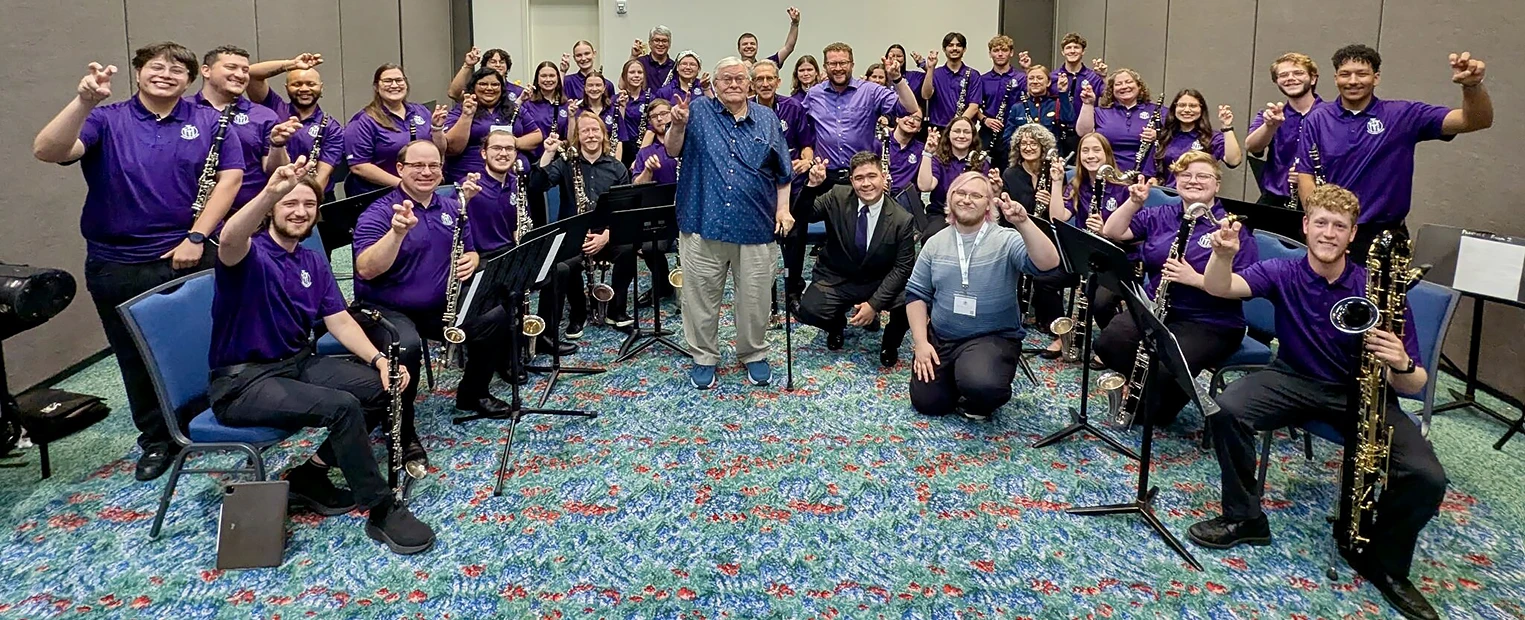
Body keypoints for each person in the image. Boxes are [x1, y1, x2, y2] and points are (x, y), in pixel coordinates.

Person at [1190, 184, 1447, 620]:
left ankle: (1384, 561)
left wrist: (1400, 362)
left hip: (1362, 391)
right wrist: (1224, 255)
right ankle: (1245, 518)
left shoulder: (1377, 287)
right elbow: (1220, 287)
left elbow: (1414, 384)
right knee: (1227, 409)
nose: (1329, 233)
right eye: (1321, 223)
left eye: (1339, 226)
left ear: (1352, 234)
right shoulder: (1283, 270)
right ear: (1305, 226)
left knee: (1427, 477)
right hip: (1293, 377)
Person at [32, 43, 246, 481]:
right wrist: (84, 100)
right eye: (156, 67)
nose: (166, 74)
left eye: (177, 70)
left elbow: (231, 178)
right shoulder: (106, 119)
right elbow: (48, 150)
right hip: (118, 262)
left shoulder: (208, 120)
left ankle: (210, 418)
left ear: (190, 80)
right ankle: (157, 438)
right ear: (138, 73)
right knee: (137, 356)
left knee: (208, 341)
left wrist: (196, 236)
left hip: (190, 252)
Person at [209, 158, 435, 554]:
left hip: (295, 364)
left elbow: (340, 321)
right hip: (243, 383)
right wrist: (269, 192)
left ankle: (310, 475)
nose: (299, 212)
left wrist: (380, 361)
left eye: (309, 205)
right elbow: (229, 238)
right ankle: (382, 508)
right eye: (289, 203)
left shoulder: (312, 260)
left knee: (384, 389)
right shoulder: (248, 255)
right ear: (272, 210)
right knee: (343, 407)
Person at [352, 140, 514, 461]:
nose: (426, 172)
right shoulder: (380, 213)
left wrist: (471, 259)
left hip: (437, 305)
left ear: (442, 170)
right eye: (417, 166)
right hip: (385, 308)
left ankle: (473, 393)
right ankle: (401, 429)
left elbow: (470, 249)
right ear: (400, 169)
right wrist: (396, 234)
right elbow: (366, 269)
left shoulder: (452, 208)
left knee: (494, 317)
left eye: (433, 166)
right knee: (407, 346)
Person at [1096, 151, 1258, 427]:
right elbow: (1113, 232)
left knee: (1163, 379)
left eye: (1203, 176)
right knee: (1109, 342)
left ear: (1217, 184)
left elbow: (1247, 287)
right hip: (1157, 309)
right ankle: (1146, 386)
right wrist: (1134, 203)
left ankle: (1158, 396)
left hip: (1210, 321)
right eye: (1186, 175)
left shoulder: (1231, 228)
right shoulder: (1163, 214)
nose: (1193, 181)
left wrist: (1195, 278)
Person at [667, 57, 795, 389]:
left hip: (755, 225)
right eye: (726, 78)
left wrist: (783, 210)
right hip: (702, 221)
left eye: (740, 78)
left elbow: (783, 172)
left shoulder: (767, 118)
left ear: (750, 84)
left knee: (755, 299)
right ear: (714, 84)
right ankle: (704, 356)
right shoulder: (697, 111)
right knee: (700, 297)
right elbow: (672, 149)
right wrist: (677, 125)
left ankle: (753, 352)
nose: (734, 84)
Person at [1295, 45, 1491, 260]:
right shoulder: (1317, 118)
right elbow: (1306, 175)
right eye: (1345, 74)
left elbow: (1475, 121)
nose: (1353, 81)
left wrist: (1472, 86)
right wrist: (1318, 226)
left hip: (1385, 236)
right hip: (1333, 232)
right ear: (1335, 79)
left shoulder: (1403, 115)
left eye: (1362, 74)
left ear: (1376, 78)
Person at [905, 172, 1060, 421]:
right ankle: (960, 374)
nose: (967, 200)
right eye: (961, 193)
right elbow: (916, 294)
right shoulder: (935, 243)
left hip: (991, 336)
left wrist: (1023, 223)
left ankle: (978, 384)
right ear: (950, 198)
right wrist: (921, 343)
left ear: (988, 204)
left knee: (982, 385)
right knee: (928, 403)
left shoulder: (1005, 239)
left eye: (976, 195)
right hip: (943, 337)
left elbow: (1048, 262)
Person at [794, 43, 917, 298]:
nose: (838, 68)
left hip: (860, 179)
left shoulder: (870, 91)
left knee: (864, 240)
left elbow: (909, 108)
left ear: (852, 64)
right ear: (825, 67)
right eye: (833, 63)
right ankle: (808, 290)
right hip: (826, 177)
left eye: (843, 63)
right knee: (807, 228)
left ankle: (871, 295)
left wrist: (897, 79)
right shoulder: (813, 95)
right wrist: (804, 157)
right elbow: (801, 130)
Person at [798, 152, 916, 367]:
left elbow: (903, 268)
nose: (866, 183)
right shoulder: (836, 196)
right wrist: (811, 186)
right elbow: (802, 215)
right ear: (852, 181)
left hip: (879, 280)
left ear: (883, 177)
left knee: (912, 303)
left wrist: (874, 304)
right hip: (838, 277)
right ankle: (837, 325)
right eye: (859, 178)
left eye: (872, 176)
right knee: (808, 310)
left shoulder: (902, 219)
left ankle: (890, 343)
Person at [529, 111, 637, 335]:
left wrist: (606, 235)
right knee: (567, 263)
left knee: (628, 250)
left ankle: (616, 309)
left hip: (606, 232)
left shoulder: (617, 168)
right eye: (585, 131)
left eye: (595, 130)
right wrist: (548, 153)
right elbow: (537, 186)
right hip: (574, 233)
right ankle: (578, 313)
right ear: (578, 136)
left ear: (603, 134)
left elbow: (624, 210)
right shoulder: (565, 163)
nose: (591, 135)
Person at [190, 45, 292, 211]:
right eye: (231, 67)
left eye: (245, 70)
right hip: (191, 212)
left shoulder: (264, 116)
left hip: (249, 214)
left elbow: (276, 171)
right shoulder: (183, 110)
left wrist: (277, 145)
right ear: (206, 71)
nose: (240, 75)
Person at [246, 53, 345, 196]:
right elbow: (251, 74)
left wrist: (303, 200)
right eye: (296, 84)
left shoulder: (331, 127)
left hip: (314, 196)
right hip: (273, 194)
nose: (304, 89)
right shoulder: (274, 108)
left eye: (311, 84)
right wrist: (291, 64)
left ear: (321, 88)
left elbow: (323, 176)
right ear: (287, 88)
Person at [344, 64, 449, 196]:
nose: (394, 85)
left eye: (399, 80)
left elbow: (439, 150)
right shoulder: (363, 121)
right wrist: (404, 185)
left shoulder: (421, 111)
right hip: (381, 194)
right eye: (387, 81)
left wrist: (437, 129)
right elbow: (359, 166)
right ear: (376, 87)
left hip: (421, 190)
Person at [1245, 52, 1325, 208]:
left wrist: (1307, 175)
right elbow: (1252, 147)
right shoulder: (1271, 115)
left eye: (1298, 73)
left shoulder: (1332, 116)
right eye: (1283, 75)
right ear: (1277, 81)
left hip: (1318, 200)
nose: (1290, 78)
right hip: (1275, 199)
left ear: (1313, 78)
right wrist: (1270, 126)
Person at [629, 99, 681, 305]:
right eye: (654, 116)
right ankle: (663, 284)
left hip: (692, 210)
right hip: (663, 215)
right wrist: (648, 171)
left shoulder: (687, 143)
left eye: (664, 113)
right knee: (650, 248)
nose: (660, 119)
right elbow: (637, 185)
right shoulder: (645, 152)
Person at [1144, 89, 1242, 186]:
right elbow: (1151, 173)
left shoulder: (1213, 137)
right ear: (1174, 109)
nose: (1187, 110)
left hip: (1198, 192)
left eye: (1193, 106)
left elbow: (1234, 161)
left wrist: (1227, 126)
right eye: (1182, 105)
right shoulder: (1165, 137)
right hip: (1166, 193)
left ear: (1201, 109)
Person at [916, 117, 990, 240]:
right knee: (931, 237)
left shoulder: (981, 162)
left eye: (966, 132)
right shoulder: (938, 160)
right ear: (948, 135)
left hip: (971, 214)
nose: (961, 136)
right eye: (957, 131)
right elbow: (925, 186)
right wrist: (928, 153)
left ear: (973, 136)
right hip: (941, 213)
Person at [1075, 68, 1160, 173]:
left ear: (1139, 86)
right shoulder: (1101, 112)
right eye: (1118, 84)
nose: (1124, 86)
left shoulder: (1157, 111)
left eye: (1128, 82)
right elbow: (1083, 133)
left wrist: (1157, 135)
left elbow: (1172, 138)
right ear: (1112, 90)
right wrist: (1088, 103)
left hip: (1145, 174)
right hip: (1107, 173)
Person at [444, 67, 519, 183]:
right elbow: (452, 149)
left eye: (495, 84)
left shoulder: (513, 109)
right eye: (483, 84)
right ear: (473, 87)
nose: (489, 88)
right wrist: (467, 115)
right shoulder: (460, 110)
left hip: (508, 178)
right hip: (468, 178)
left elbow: (536, 135)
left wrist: (513, 142)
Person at [1050, 33, 1107, 153]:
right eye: (1068, 48)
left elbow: (1109, 97)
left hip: (1085, 133)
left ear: (1083, 51)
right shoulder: (1053, 77)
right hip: (1057, 133)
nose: (1072, 51)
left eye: (1076, 47)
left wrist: (1104, 77)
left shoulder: (1093, 77)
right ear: (1062, 52)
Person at [975, 35, 1025, 170]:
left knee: (1010, 170)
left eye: (1004, 50)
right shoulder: (983, 79)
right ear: (990, 54)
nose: (1000, 54)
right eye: (996, 50)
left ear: (1011, 53)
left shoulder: (1021, 78)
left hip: (1012, 132)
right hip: (988, 131)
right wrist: (985, 119)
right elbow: (974, 106)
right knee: (981, 168)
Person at [557, 71, 622, 163]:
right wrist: (571, 117)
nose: (594, 89)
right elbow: (571, 141)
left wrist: (616, 164)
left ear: (604, 88)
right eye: (590, 85)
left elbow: (620, 140)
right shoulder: (576, 110)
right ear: (585, 88)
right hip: (582, 161)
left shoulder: (614, 110)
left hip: (608, 161)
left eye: (598, 85)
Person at [999, 65, 1066, 155]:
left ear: (1048, 82)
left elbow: (1069, 120)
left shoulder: (1056, 105)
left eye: (1039, 78)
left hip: (1050, 157)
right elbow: (1007, 139)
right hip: (1025, 157)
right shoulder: (1017, 108)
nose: (1035, 81)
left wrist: (1063, 93)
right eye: (1031, 78)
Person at [919, 33, 981, 128]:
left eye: (958, 45)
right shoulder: (936, 73)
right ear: (944, 49)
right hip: (938, 128)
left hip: (963, 128)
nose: (954, 48)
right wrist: (930, 68)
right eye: (950, 45)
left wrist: (957, 125)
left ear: (964, 49)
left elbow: (974, 107)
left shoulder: (973, 75)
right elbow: (926, 95)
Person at [511, 61, 566, 163]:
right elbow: (510, 121)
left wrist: (561, 144)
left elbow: (569, 138)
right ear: (537, 79)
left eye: (552, 76)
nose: (548, 79)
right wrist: (520, 100)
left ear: (558, 78)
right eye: (543, 76)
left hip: (558, 160)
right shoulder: (527, 103)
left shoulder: (566, 105)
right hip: (532, 159)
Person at [614, 59, 653, 167]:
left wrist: (640, 156)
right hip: (622, 149)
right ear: (624, 75)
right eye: (632, 72)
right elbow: (616, 127)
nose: (636, 75)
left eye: (640, 72)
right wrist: (622, 107)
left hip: (643, 148)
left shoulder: (651, 99)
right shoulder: (615, 99)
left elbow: (652, 129)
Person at [449, 47, 519, 101]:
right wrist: (467, 65)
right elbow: (453, 94)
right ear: (485, 66)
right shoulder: (477, 89)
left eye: (501, 62)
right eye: (493, 62)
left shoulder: (517, 91)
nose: (498, 65)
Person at [631, 26, 676, 90]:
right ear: (650, 43)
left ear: (669, 44)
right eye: (656, 40)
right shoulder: (640, 62)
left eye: (664, 41)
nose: (660, 44)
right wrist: (633, 56)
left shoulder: (675, 67)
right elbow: (622, 85)